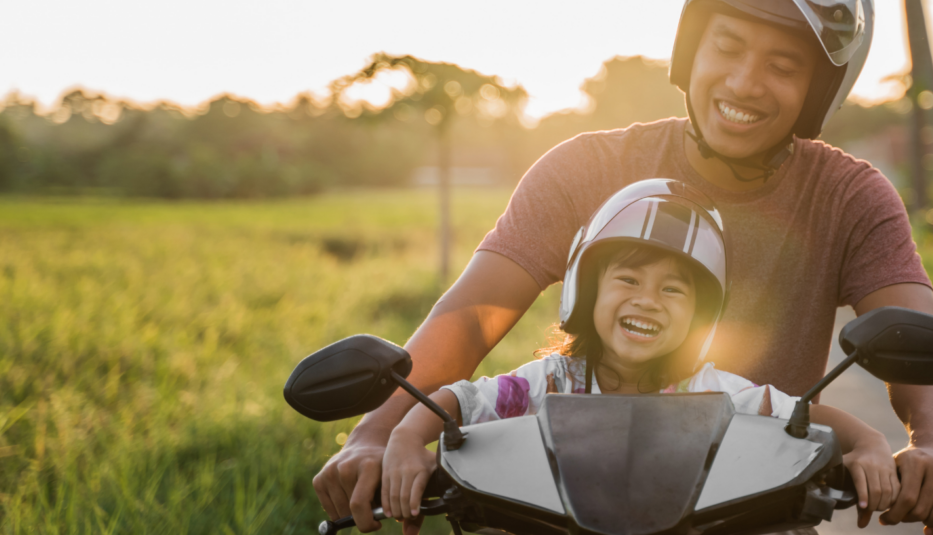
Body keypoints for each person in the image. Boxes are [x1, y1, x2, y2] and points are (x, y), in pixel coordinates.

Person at [314, 0, 933, 535]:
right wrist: (379, 432)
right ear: (690, 49)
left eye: (783, 65)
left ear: (818, 89)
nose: (745, 82)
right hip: (565, 509)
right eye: (729, 46)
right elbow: (472, 315)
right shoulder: (586, 165)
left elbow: (910, 332)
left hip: (756, 511)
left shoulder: (849, 194)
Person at [379, 181, 899, 533]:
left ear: (700, 316)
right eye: (627, 279)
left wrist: (870, 443)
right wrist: (403, 439)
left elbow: (802, 415)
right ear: (586, 290)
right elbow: (461, 403)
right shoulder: (551, 381)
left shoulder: (716, 393)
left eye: (674, 290)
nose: (647, 299)